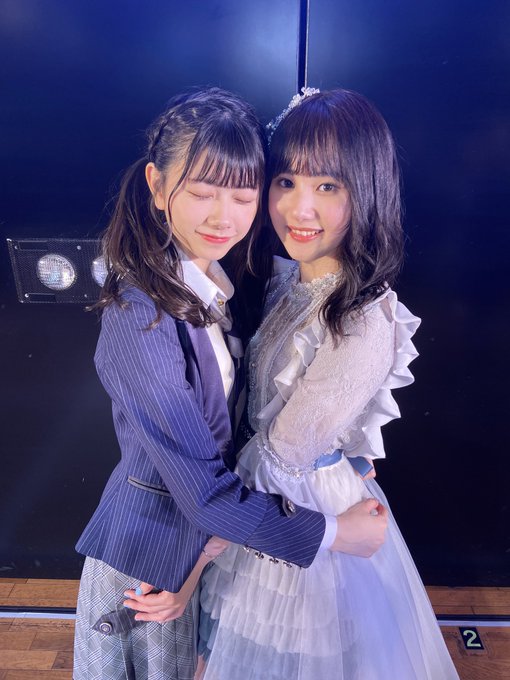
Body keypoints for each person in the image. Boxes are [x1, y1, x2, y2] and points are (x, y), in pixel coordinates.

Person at [73, 87, 389, 680]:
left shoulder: (222, 282)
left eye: (243, 196)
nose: (224, 217)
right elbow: (205, 491)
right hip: (148, 556)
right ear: (157, 186)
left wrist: (338, 449)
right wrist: (334, 533)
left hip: (209, 541)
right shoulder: (140, 319)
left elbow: (255, 406)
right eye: (201, 193)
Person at [192, 88, 460, 679]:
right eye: (286, 181)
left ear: (367, 190)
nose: (299, 208)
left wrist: (205, 545)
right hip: (270, 496)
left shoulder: (360, 319)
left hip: (300, 512)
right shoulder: (290, 276)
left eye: (328, 186)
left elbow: (283, 455)